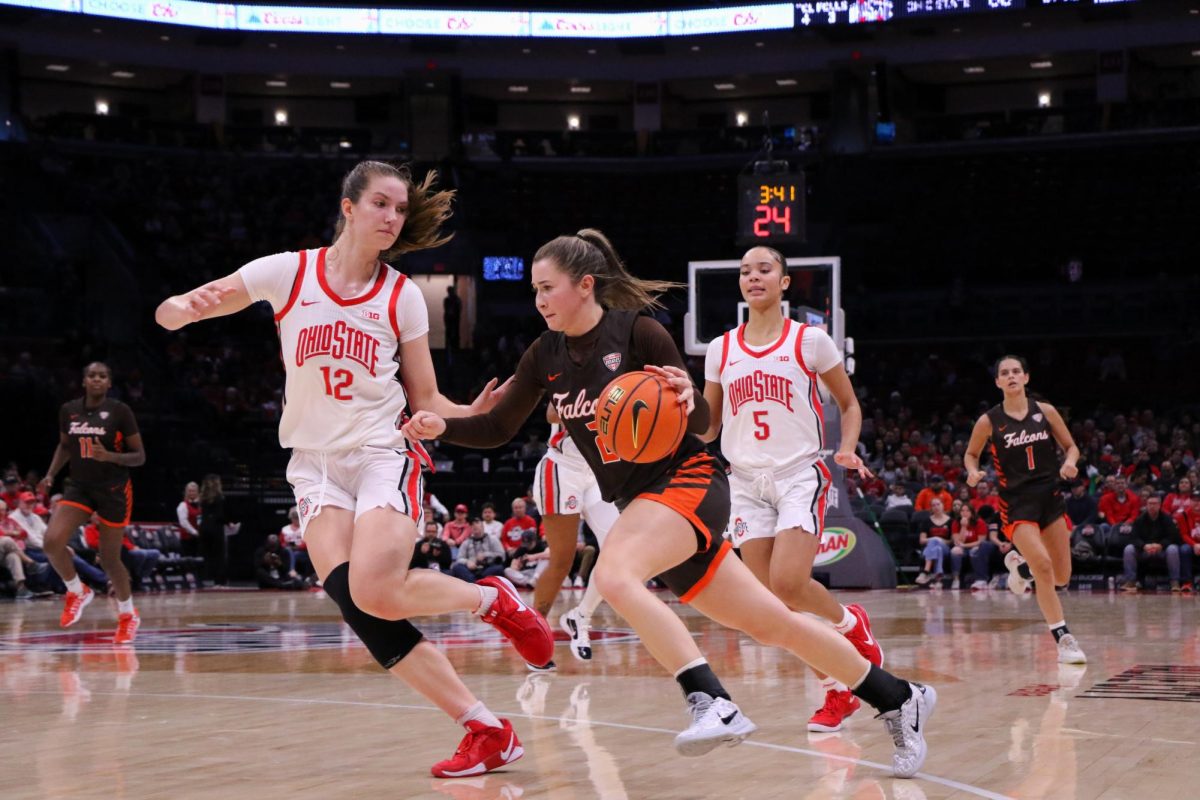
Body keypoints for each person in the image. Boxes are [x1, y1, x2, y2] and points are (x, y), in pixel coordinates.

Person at [404, 228, 934, 778]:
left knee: (613, 574)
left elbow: (705, 423)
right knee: (773, 623)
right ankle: (898, 696)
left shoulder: (639, 332)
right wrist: (444, 425)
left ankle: (711, 700)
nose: (538, 301)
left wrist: (686, 396)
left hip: (691, 480)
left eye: (548, 288)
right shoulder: (545, 354)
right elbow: (496, 427)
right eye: (534, 290)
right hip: (644, 499)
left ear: (585, 286)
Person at [154, 159, 553, 778]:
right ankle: (485, 728)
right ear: (349, 207)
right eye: (381, 205)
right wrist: (179, 308)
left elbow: (426, 400)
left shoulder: (403, 297)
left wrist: (464, 414)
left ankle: (490, 599)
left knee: (375, 588)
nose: (393, 218)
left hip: (380, 453)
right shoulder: (288, 271)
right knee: (360, 605)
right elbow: (192, 305)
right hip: (313, 464)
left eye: (399, 209)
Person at [698, 245, 883, 734]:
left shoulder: (811, 341)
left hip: (799, 474)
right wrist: (672, 412)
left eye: (764, 269)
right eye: (744, 271)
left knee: (787, 583)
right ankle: (836, 692)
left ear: (784, 282)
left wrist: (845, 448)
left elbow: (849, 404)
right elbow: (709, 425)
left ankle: (849, 623)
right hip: (743, 481)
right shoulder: (721, 349)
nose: (753, 277)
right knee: (774, 609)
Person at [964, 355, 1087, 664]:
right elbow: (971, 454)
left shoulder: (1045, 412)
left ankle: (1020, 567)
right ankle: (1064, 639)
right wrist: (972, 471)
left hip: (1051, 498)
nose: (1011, 376)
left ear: (1026, 377)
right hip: (1016, 503)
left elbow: (1071, 447)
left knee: (1061, 576)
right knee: (1044, 566)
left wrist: (1070, 463)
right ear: (997, 382)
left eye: (1016, 371)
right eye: (1004, 373)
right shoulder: (989, 421)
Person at [38, 362, 146, 644]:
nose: (97, 379)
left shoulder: (120, 411)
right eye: (91, 375)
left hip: (113, 489)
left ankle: (127, 614)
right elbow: (64, 445)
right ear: (83, 381)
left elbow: (139, 456)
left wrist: (109, 456)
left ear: (109, 382)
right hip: (79, 487)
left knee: (110, 559)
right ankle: (77, 591)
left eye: (102, 376)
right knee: (51, 541)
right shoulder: (69, 410)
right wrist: (50, 475)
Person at [532, 406, 620, 667]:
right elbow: (551, 414)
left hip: (598, 471)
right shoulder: (569, 366)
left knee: (618, 554)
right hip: (562, 468)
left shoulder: (625, 371)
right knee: (562, 560)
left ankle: (580, 616)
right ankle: (531, 637)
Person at [450, 517, 507, 583]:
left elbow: (502, 555)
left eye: (477, 523)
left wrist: (486, 555)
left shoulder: (493, 539)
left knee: (499, 568)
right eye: (472, 524)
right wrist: (467, 562)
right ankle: (476, 582)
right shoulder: (467, 542)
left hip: (488, 568)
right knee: (457, 567)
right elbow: (459, 558)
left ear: (482, 526)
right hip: (471, 569)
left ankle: (475, 583)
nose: (474, 525)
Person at [914, 497, 953, 587]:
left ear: (943, 505)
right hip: (932, 548)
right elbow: (922, 540)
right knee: (937, 548)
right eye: (933, 505)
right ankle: (938, 576)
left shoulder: (951, 521)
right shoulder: (926, 521)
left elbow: (951, 541)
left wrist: (940, 540)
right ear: (931, 508)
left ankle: (925, 572)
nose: (936, 507)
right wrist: (935, 539)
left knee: (937, 543)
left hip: (946, 549)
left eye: (938, 504)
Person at [175, 481, 201, 557]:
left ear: (197, 492)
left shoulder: (201, 506)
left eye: (194, 491)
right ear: (186, 492)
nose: (192, 493)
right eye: (190, 491)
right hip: (187, 540)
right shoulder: (182, 505)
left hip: (199, 540)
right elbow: (183, 522)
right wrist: (195, 532)